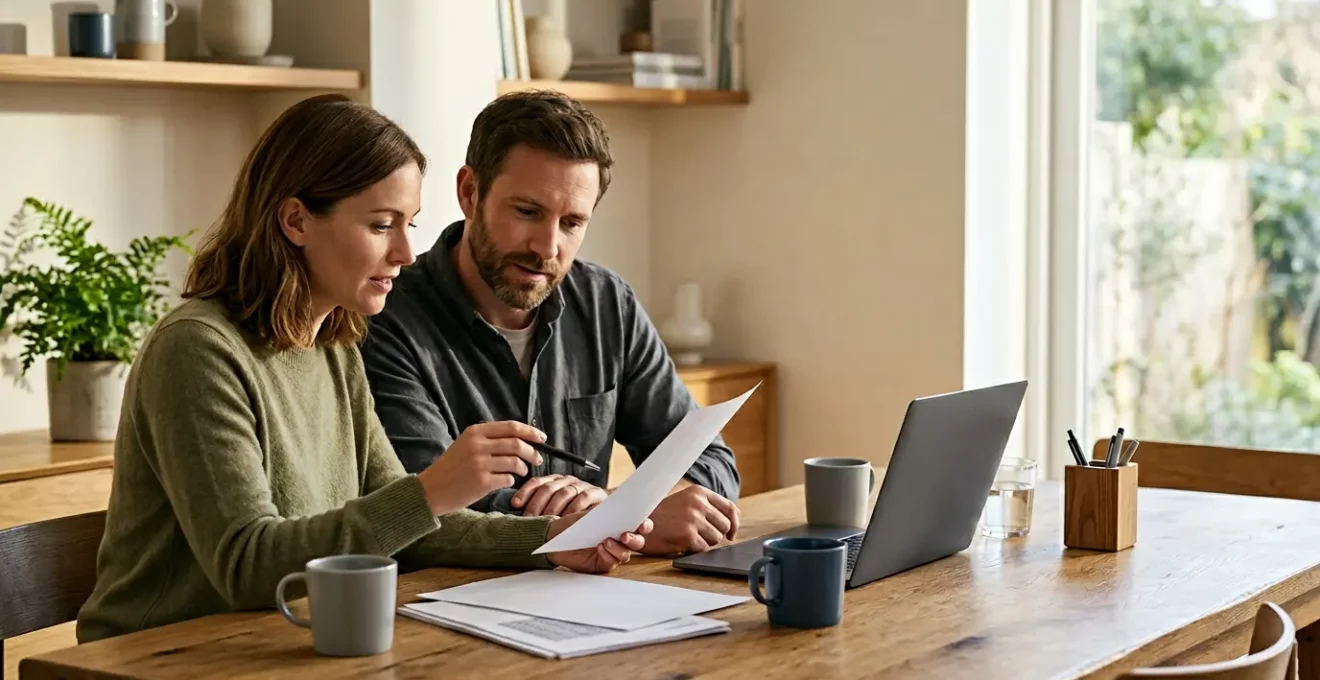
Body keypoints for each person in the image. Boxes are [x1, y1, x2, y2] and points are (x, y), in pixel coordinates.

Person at [76, 94, 649, 643]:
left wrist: (554, 538)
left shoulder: (333, 343)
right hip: (159, 659)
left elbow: (406, 525)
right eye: (381, 225)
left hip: (285, 644)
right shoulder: (198, 351)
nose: (404, 253)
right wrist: (431, 490)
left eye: (410, 225)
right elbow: (246, 563)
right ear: (296, 221)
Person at [360, 90, 741, 557]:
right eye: (527, 212)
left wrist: (615, 508)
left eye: (572, 223)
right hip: (446, 603)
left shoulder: (607, 304)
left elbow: (710, 463)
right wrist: (603, 521)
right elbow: (420, 505)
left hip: (592, 597)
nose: (546, 246)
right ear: (469, 192)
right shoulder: (385, 319)